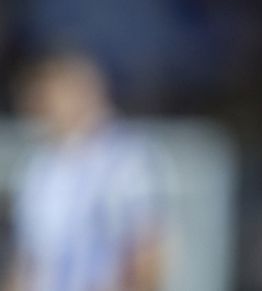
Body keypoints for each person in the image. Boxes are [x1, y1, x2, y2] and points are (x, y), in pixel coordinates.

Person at [4, 51, 163, 291]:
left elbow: (147, 251)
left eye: (55, 93)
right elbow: (26, 259)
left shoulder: (126, 160)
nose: (45, 105)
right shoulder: (38, 165)